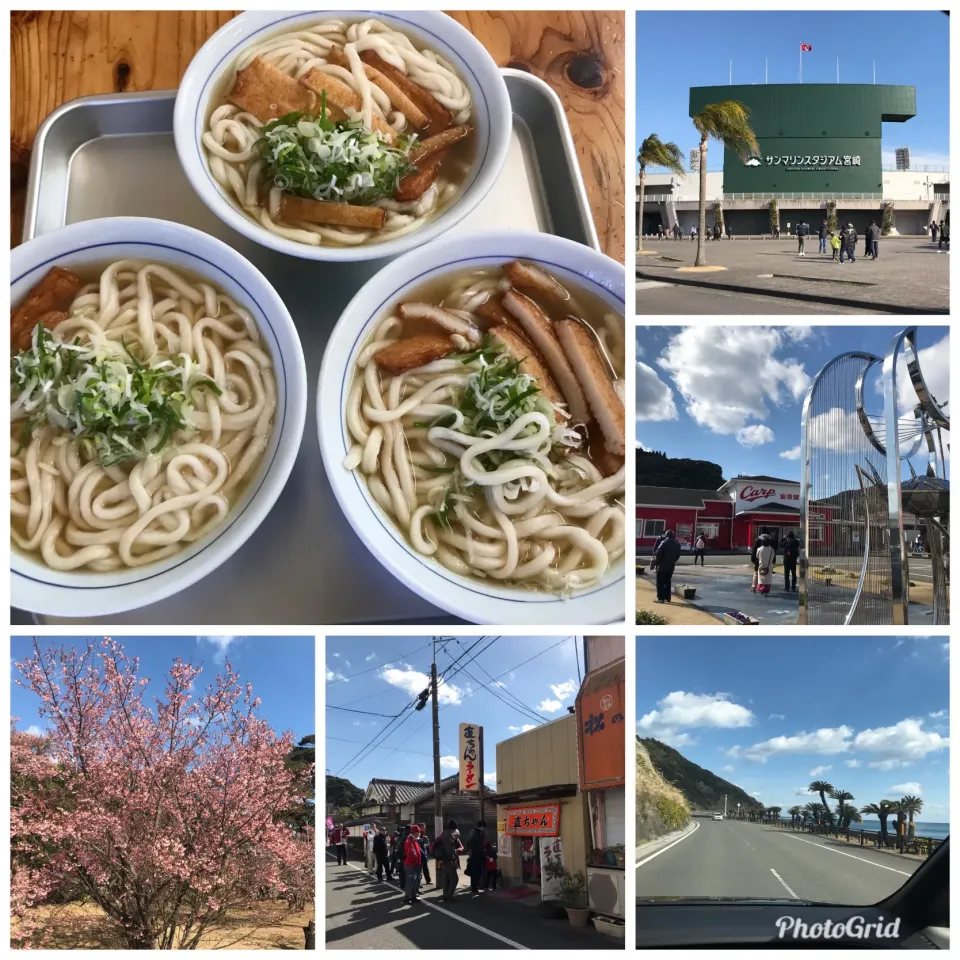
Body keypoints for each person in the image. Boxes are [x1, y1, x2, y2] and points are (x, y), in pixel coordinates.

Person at [652, 529, 682, 603]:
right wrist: (672, 561)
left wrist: (658, 562)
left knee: (660, 583)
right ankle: (667, 598)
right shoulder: (677, 544)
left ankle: (660, 598)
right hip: (671, 566)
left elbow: (658, 553)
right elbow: (677, 556)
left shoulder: (664, 543)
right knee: (668, 582)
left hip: (661, 567)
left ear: (666, 535)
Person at [436, 819, 460, 903]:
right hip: (448, 861)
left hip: (443, 860)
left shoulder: (444, 833)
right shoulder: (448, 837)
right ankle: (449, 896)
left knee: (446, 878)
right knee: (454, 879)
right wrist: (453, 857)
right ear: (453, 828)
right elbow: (449, 851)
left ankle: (445, 895)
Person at [750, 529, 777, 593]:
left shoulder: (758, 540)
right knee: (767, 574)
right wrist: (773, 561)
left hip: (759, 560)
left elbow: (754, 551)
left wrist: (753, 559)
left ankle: (754, 587)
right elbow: (774, 551)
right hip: (768, 562)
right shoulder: (771, 540)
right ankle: (766, 588)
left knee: (756, 573)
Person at [403, 824, 423, 904]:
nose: (418, 834)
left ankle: (413, 896)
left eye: (418, 832)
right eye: (417, 832)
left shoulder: (414, 840)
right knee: (410, 881)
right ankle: (407, 897)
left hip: (415, 864)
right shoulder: (409, 841)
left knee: (414, 881)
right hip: (411, 864)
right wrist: (416, 861)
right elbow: (411, 853)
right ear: (413, 832)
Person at [466, 821, 486, 894]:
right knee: (475, 873)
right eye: (484, 827)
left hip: (476, 855)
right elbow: (472, 844)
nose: (484, 829)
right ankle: (474, 888)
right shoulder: (475, 833)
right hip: (475, 856)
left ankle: (475, 888)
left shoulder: (476, 832)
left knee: (476, 873)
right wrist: (476, 853)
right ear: (481, 826)